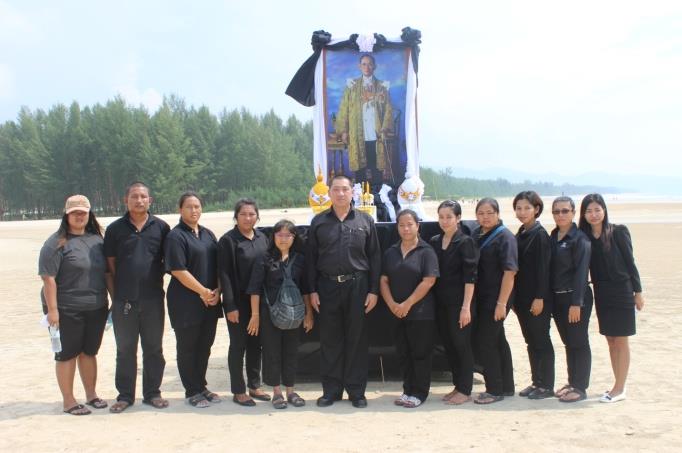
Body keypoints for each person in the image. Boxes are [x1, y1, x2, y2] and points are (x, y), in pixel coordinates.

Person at [306, 174, 381, 408]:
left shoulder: (365, 221)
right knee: (330, 340)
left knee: (357, 340)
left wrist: (374, 290)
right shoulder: (318, 222)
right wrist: (312, 291)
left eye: (345, 189)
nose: (340, 193)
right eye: (336, 189)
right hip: (327, 287)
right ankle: (331, 390)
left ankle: (357, 392)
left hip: (358, 286)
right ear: (329, 193)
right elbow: (310, 260)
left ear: (352, 193)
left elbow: (375, 257)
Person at [38, 195, 111, 415]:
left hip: (96, 306)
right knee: (67, 354)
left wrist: (114, 300)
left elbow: (107, 273)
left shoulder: (98, 240)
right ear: (66, 215)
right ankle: (69, 401)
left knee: (89, 352)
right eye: (74, 212)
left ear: (90, 214)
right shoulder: (55, 243)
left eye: (83, 212)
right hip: (66, 309)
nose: (79, 216)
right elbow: (48, 279)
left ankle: (91, 395)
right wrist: (53, 311)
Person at [104, 182, 170, 413]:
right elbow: (110, 267)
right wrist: (116, 298)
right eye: (134, 196)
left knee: (154, 348)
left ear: (149, 200)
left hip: (153, 299)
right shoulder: (115, 229)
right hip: (124, 302)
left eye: (143, 196)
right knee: (125, 350)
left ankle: (152, 393)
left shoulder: (161, 228)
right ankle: (125, 395)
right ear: (126, 200)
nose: (139, 200)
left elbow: (168, 262)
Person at [579, 193, 644, 403]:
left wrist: (638, 292)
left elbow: (630, 262)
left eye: (597, 209)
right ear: (584, 214)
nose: (594, 214)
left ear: (604, 211)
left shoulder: (618, 231)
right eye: (589, 211)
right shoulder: (584, 237)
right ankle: (618, 383)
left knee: (621, 340)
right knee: (610, 340)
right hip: (602, 293)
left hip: (622, 291)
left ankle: (619, 388)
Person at [246, 220, 314, 409]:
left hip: (294, 313)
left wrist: (309, 314)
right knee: (272, 351)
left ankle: (290, 391)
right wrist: (255, 315)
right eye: (280, 234)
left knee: (291, 351)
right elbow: (255, 289)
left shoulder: (300, 259)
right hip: (270, 313)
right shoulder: (264, 258)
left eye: (288, 235)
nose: (284, 239)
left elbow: (306, 289)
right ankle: (276, 392)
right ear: (273, 236)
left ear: (294, 237)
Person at [164, 191, 222, 408]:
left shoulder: (207, 234)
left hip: (210, 300)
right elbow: (178, 270)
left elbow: (219, 265)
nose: (194, 210)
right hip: (185, 301)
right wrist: (203, 291)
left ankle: (201, 385)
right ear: (180, 210)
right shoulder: (175, 236)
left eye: (197, 206)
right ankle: (191, 390)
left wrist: (217, 291)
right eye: (189, 207)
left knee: (205, 345)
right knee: (187, 346)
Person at [381, 209, 439, 408]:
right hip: (396, 313)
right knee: (403, 353)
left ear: (418, 226)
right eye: (401, 225)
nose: (406, 228)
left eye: (409, 224)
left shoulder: (427, 251)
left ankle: (420, 393)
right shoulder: (391, 252)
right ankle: (407, 390)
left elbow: (429, 281)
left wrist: (406, 304)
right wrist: (392, 305)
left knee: (420, 354)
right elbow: (383, 280)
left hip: (421, 313)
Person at [217, 199, 270, 406]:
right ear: (236, 217)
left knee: (256, 345)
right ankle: (238, 390)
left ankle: (254, 386)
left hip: (258, 302)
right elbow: (225, 274)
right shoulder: (228, 241)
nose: (248, 218)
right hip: (237, 302)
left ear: (257, 216)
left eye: (252, 214)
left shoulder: (262, 238)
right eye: (243, 214)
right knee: (238, 346)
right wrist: (230, 305)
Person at [429, 200, 478, 405]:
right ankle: (457, 385)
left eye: (449, 217)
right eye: (441, 217)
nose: (445, 220)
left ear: (458, 218)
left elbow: (470, 277)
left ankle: (465, 389)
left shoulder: (466, 242)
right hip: (441, 304)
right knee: (448, 344)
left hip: (460, 304)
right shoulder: (434, 240)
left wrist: (466, 307)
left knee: (461, 345)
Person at [471, 198, 517, 404]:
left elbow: (509, 272)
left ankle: (494, 389)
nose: (485, 217)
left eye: (489, 213)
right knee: (499, 341)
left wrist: (502, 304)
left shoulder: (505, 237)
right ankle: (507, 386)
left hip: (497, 299)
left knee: (486, 342)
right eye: (481, 213)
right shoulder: (477, 234)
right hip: (482, 297)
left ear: (498, 214)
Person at [550, 196, 593, 403]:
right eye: (556, 211)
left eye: (565, 211)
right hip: (557, 298)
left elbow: (581, 273)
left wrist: (577, 303)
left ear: (574, 213)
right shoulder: (554, 236)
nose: (560, 215)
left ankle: (580, 386)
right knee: (568, 343)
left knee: (579, 342)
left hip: (576, 298)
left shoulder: (580, 239)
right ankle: (572, 381)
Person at [513, 191, 555, 400]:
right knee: (531, 341)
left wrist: (540, 298)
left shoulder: (540, 235)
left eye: (527, 208)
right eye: (518, 208)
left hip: (537, 299)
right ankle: (536, 381)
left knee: (541, 340)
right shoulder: (520, 233)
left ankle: (546, 385)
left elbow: (544, 270)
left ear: (536, 209)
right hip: (521, 299)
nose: (522, 212)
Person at [336, 53, 394, 180]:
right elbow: (344, 109)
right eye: (364, 64)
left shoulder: (382, 87)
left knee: (376, 168)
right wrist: (344, 131)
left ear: (374, 66)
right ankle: (360, 196)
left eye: (370, 64)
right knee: (360, 169)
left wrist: (384, 128)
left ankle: (377, 195)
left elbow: (389, 109)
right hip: (357, 133)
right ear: (359, 66)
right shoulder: (352, 87)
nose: (367, 67)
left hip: (376, 133)